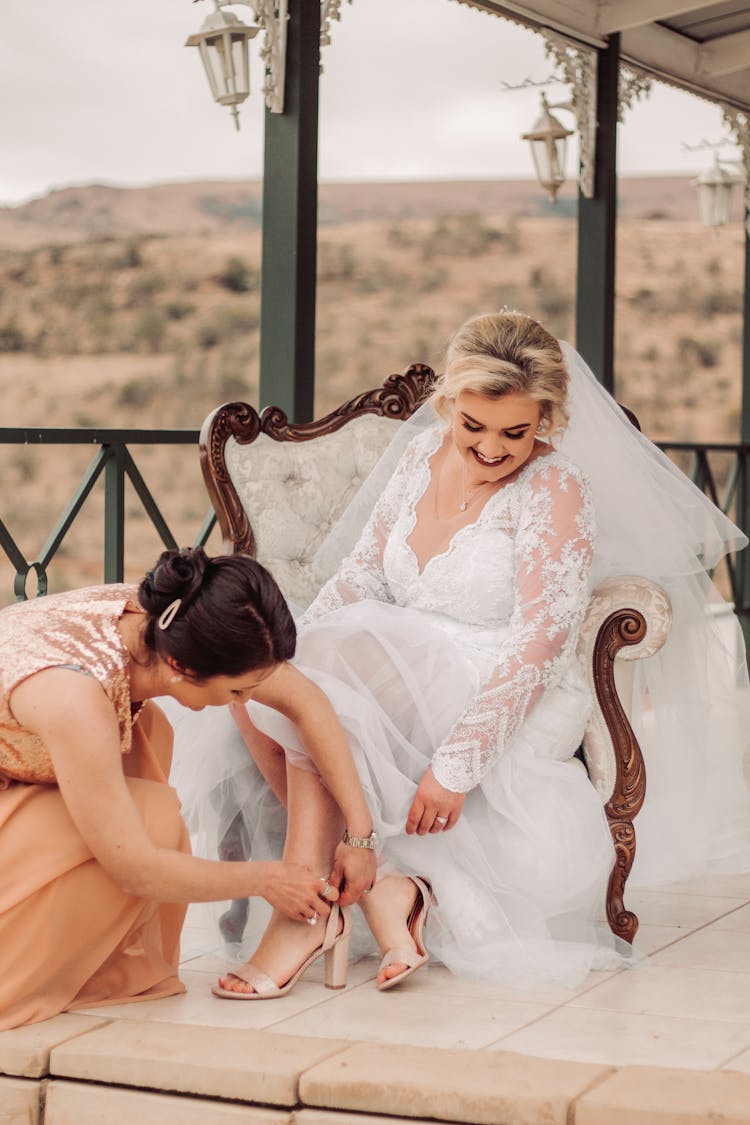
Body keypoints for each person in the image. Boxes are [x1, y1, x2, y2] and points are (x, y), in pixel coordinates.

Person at [181, 309, 750, 999]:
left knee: (313, 688)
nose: (489, 447)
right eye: (472, 424)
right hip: (401, 653)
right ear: (448, 402)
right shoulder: (422, 456)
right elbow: (363, 573)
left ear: (547, 416)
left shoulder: (556, 487)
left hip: (499, 671)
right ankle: (379, 884)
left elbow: (540, 639)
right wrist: (292, 654)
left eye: (517, 430)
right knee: (263, 680)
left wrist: (457, 766)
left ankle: (300, 914)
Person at [0, 547, 376, 1029]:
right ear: (183, 667)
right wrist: (266, 879)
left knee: (148, 735)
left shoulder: (168, 623)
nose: (244, 703)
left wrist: (360, 837)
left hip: (32, 757)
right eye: (237, 692)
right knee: (150, 823)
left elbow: (306, 703)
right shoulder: (76, 697)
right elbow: (135, 870)